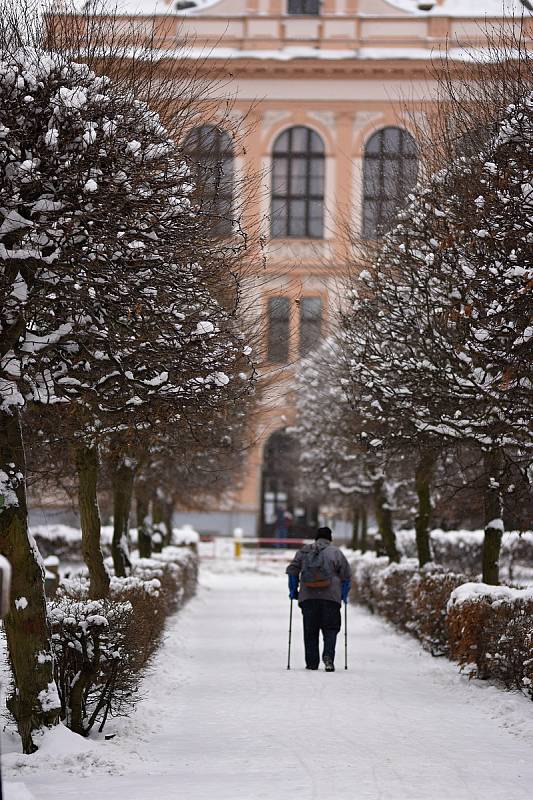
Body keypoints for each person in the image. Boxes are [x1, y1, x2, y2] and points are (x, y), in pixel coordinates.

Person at [286, 526, 351, 672]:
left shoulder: (304, 551)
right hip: (331, 598)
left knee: (310, 630)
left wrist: (293, 591)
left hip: (308, 597)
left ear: (316, 538)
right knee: (330, 629)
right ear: (330, 538)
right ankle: (328, 657)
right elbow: (346, 576)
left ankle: (312, 662)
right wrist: (344, 595)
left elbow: (292, 571)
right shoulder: (336, 552)